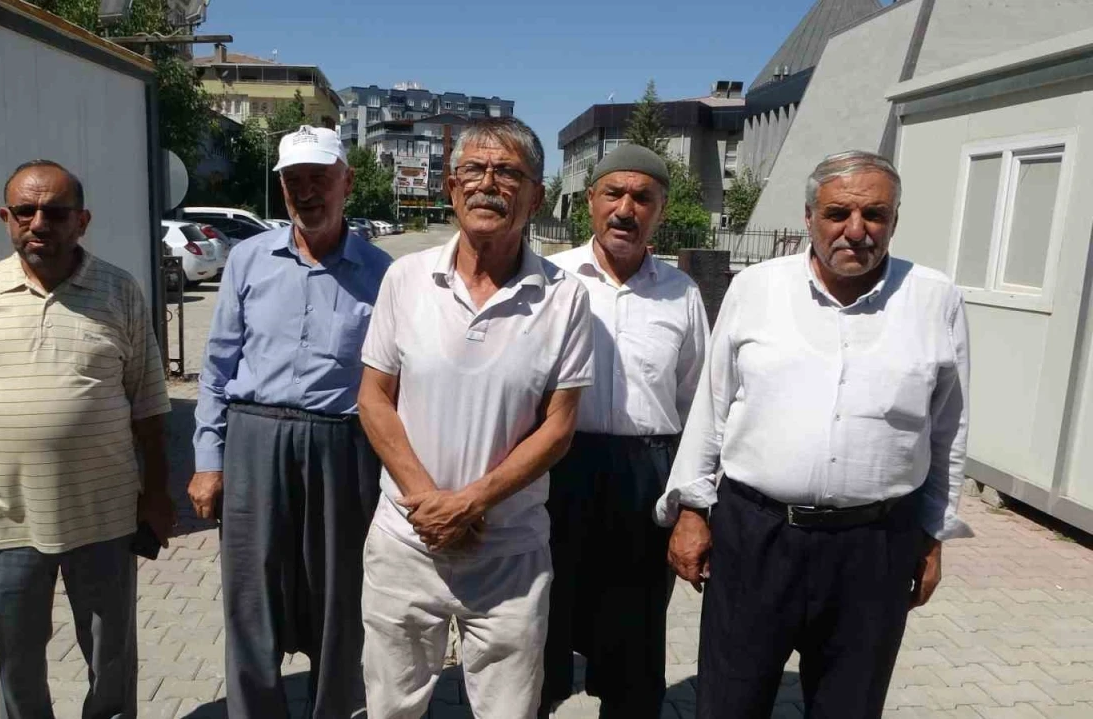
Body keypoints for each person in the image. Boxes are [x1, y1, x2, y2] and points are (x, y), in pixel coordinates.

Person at [660, 150, 972, 718]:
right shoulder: (756, 288)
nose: (856, 230)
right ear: (808, 217)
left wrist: (933, 534)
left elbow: (948, 431)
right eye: (837, 213)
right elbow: (712, 405)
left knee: (850, 707)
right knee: (729, 703)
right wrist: (690, 509)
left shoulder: (935, 299)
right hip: (756, 538)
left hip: (876, 546)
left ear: (895, 220)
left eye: (874, 214)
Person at [0, 160, 173, 719]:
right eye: (24, 211)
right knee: (16, 659)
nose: (38, 223)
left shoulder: (120, 291)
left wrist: (157, 493)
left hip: (103, 514)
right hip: (6, 515)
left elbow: (150, 407)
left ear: (82, 221)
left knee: (111, 657)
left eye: (55, 213)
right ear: (6, 217)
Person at [356, 116, 594, 719]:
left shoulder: (565, 297)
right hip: (406, 542)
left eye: (508, 172)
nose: (488, 184)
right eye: (474, 170)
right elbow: (374, 398)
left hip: (508, 552)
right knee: (391, 707)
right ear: (451, 186)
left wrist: (470, 503)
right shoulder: (405, 278)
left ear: (536, 196)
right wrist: (429, 504)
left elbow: (559, 426)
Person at [188, 125, 392, 719]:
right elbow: (218, 365)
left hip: (342, 446)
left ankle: (337, 709)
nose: (306, 192)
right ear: (281, 188)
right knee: (250, 595)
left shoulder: (383, 273)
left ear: (346, 182)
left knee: (340, 594)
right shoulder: (248, 259)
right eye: (293, 180)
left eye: (319, 178)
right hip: (254, 439)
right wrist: (207, 460)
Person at [541, 145, 709, 717]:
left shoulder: (681, 293)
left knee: (633, 644)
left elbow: (698, 403)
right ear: (590, 200)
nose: (625, 209)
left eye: (643, 198)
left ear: (661, 210)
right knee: (542, 628)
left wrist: (695, 503)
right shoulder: (551, 278)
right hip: (558, 470)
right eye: (614, 193)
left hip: (646, 479)